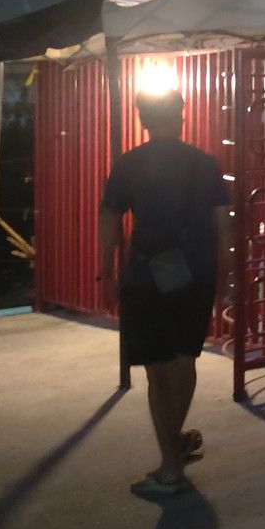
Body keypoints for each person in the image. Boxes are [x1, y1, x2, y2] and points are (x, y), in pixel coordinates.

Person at [99, 87, 233, 497]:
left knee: (158, 372)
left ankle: (171, 468)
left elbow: (109, 220)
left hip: (147, 276)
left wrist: (105, 274)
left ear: (142, 119)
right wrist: (225, 277)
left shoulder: (129, 164)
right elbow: (223, 226)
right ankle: (174, 447)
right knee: (185, 359)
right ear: (181, 116)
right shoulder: (206, 164)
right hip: (197, 275)